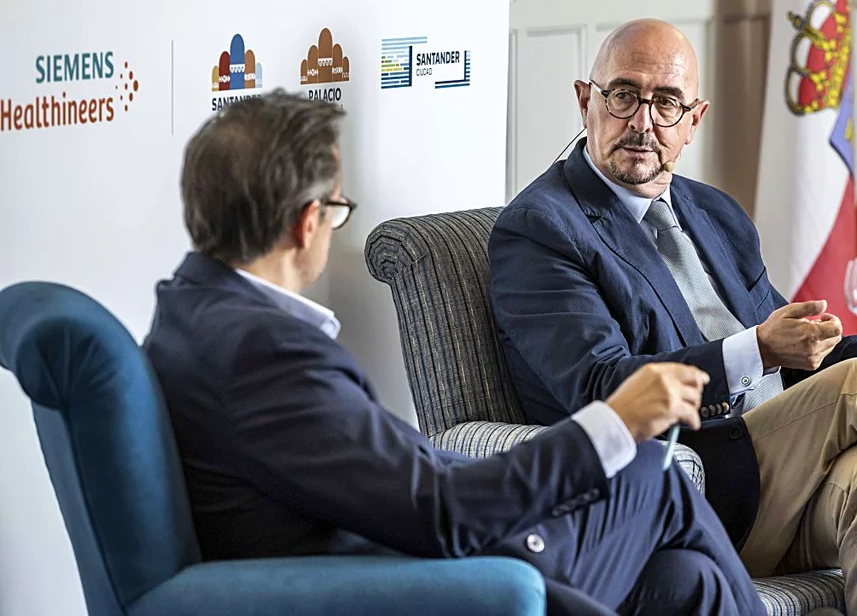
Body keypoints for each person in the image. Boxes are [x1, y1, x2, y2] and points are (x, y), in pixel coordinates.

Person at [142, 91, 770, 616]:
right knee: (650, 478)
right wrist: (616, 422)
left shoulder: (192, 309)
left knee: (689, 582)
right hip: (418, 586)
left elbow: (401, 477)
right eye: (337, 210)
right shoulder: (263, 351)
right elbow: (441, 514)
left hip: (397, 548)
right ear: (307, 223)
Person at [488, 18, 857, 615]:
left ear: (695, 120)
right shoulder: (543, 228)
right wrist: (759, 351)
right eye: (623, 95)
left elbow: (798, 362)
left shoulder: (713, 212)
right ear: (586, 100)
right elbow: (596, 388)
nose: (642, 121)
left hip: (777, 485)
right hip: (684, 492)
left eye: (666, 102)